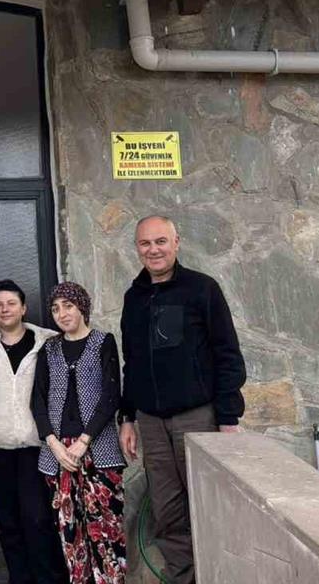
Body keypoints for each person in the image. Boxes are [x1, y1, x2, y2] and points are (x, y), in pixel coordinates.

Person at [117, 215, 247, 584]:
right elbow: (132, 361)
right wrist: (127, 416)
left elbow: (227, 354)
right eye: (145, 243)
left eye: (161, 241)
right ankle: (184, 577)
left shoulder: (202, 289)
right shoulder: (134, 298)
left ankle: (221, 576)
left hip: (197, 417)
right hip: (151, 422)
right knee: (167, 509)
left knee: (209, 503)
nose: (153, 250)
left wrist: (228, 417)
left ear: (177, 242)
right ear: (137, 248)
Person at [0, 279, 67, 584]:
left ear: (23, 308)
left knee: (38, 519)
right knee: (9, 523)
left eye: (11, 303)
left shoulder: (48, 342)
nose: (5, 309)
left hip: (38, 446)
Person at [32, 282, 125, 584]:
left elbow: (111, 395)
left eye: (68, 306)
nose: (62, 314)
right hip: (58, 454)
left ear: (82, 307)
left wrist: (84, 440)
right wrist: (54, 444)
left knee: (106, 528)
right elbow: (38, 400)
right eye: (55, 309)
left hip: (98, 449)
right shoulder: (49, 348)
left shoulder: (103, 342)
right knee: (69, 531)